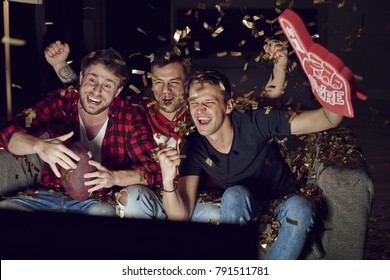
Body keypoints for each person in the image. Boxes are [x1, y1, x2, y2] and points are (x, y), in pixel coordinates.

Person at [43, 40, 288, 221]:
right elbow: (96, 95)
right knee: (132, 199)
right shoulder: (138, 110)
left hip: (197, 198)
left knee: (214, 214)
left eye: (174, 82)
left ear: (187, 83)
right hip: (152, 196)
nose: (166, 91)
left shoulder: (202, 112)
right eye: (159, 82)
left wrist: (279, 67)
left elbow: (262, 111)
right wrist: (60, 66)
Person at [157, 69, 344, 259]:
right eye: (194, 103)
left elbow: (327, 119)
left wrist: (334, 90)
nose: (199, 109)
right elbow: (179, 217)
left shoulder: (256, 121)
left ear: (228, 106)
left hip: (283, 199)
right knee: (234, 194)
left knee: (302, 207)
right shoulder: (194, 144)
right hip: (242, 204)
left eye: (209, 102)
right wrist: (167, 180)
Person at [0, 47, 160, 216]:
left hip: (100, 199)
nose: (97, 91)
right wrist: (39, 146)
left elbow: (153, 170)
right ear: (82, 77)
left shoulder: (128, 116)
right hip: (51, 193)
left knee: (102, 214)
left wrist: (115, 177)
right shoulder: (61, 101)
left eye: (107, 85)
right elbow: (7, 133)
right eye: (92, 79)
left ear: (117, 91)